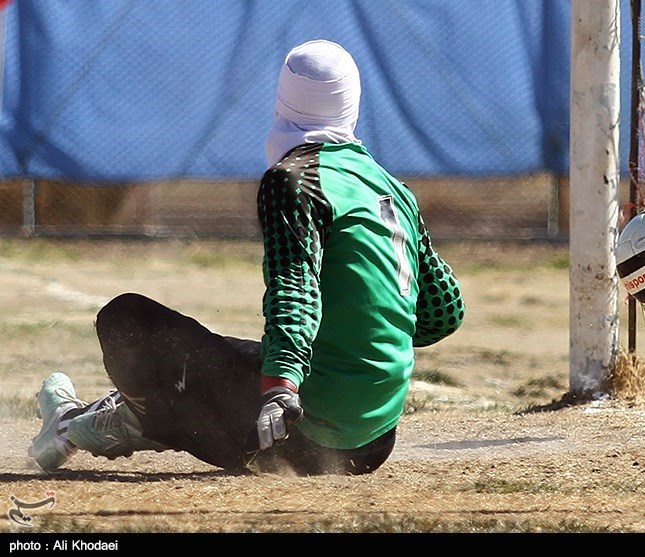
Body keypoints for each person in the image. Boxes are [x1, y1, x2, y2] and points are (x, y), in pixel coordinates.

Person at [27, 39, 465, 476]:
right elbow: (443, 312)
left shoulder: (294, 179)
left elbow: (295, 290)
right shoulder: (389, 186)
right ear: (352, 104)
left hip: (303, 436)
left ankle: (95, 423)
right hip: (375, 441)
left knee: (127, 319)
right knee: (231, 354)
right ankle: (105, 420)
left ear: (283, 101)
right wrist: (364, 333)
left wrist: (279, 388)